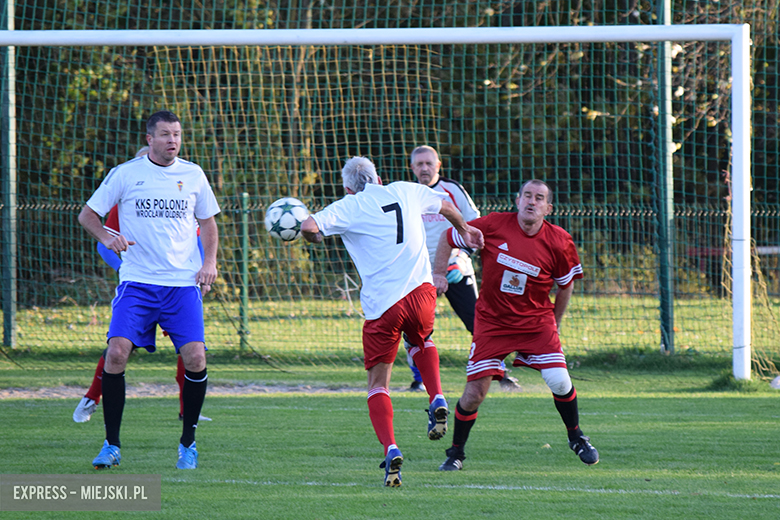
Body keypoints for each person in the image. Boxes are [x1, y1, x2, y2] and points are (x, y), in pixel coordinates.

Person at [300, 156, 483, 487]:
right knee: (422, 341)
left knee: (378, 383)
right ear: (379, 178)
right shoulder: (405, 190)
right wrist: (465, 229)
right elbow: (444, 205)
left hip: (383, 305)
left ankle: (391, 447)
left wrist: (313, 237)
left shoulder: (348, 206)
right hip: (421, 293)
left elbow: (309, 227)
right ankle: (437, 396)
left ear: (347, 188)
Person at [77, 111, 220, 470]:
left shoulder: (193, 175)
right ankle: (111, 444)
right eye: (165, 134)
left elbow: (208, 222)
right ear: (150, 138)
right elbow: (87, 215)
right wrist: (107, 237)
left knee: (196, 358)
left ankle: (188, 443)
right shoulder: (126, 174)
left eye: (177, 134)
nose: (173, 140)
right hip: (138, 283)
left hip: (181, 286)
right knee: (116, 354)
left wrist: (210, 263)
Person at [434, 179, 598, 471]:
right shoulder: (493, 225)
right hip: (492, 323)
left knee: (559, 380)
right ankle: (456, 453)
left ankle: (576, 438)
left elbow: (565, 286)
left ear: (548, 208)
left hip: (536, 323)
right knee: (474, 395)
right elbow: (448, 238)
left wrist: (554, 325)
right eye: (527, 196)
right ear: (517, 200)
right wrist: (439, 275)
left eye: (539, 198)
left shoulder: (559, 241)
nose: (531, 202)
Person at [405, 146, 520, 392]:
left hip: (455, 267)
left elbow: (472, 226)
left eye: (429, 163)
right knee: (416, 326)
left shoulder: (452, 190)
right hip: (420, 273)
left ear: (438, 166)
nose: (424, 168)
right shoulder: (407, 194)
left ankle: (500, 373)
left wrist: (460, 255)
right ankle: (419, 379)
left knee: (478, 322)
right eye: (419, 164)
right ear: (412, 168)